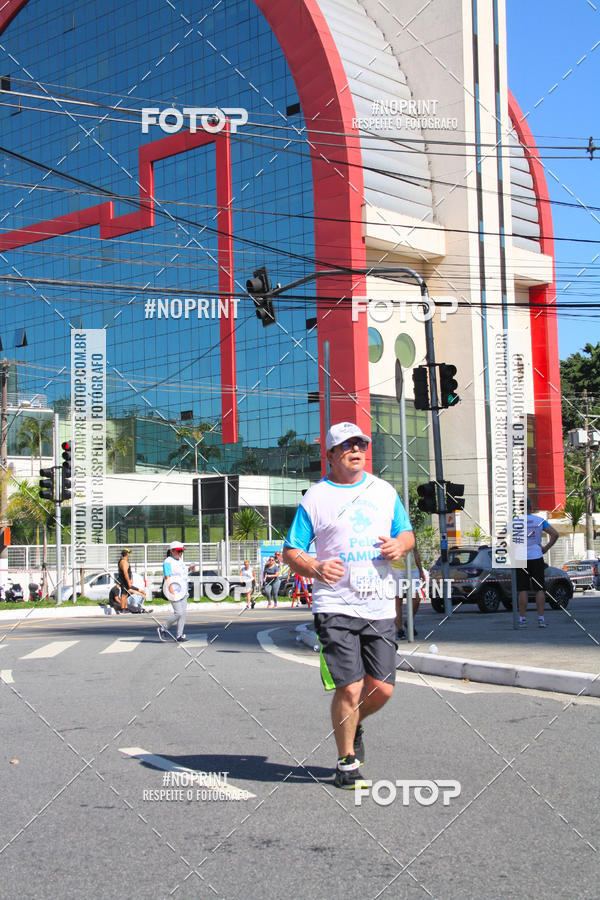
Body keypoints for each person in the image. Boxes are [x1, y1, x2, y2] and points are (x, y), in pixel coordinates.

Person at [283, 421, 414, 790]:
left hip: (379, 605)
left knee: (383, 689)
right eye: (346, 445)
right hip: (335, 604)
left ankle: (353, 724)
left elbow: (407, 533)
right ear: (330, 455)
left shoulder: (384, 491)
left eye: (360, 443)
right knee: (351, 687)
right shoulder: (315, 498)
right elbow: (291, 552)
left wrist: (401, 546)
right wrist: (316, 566)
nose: (356, 449)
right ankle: (346, 763)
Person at [516, 498, 559, 628]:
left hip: (521, 557)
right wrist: (546, 548)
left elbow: (502, 534)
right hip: (536, 556)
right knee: (539, 589)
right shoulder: (539, 521)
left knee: (522, 589)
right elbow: (555, 534)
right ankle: (541, 619)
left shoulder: (515, 522)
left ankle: (522, 619)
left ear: (520, 508)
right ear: (531, 508)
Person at [157, 541, 189, 642]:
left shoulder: (180, 561)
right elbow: (168, 577)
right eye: (178, 551)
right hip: (174, 591)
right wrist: (171, 592)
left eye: (182, 551)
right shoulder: (168, 561)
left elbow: (182, 575)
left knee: (183, 614)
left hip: (183, 590)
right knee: (178, 613)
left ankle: (179, 635)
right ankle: (163, 629)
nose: (180, 553)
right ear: (172, 551)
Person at [394, 545, 427, 639]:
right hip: (395, 567)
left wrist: (420, 570)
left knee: (416, 598)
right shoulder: (389, 531)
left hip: (412, 568)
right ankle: (400, 629)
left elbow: (415, 551)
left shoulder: (410, 531)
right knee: (398, 599)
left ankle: (409, 621)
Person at [116, 548, 145, 613]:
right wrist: (128, 581)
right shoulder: (124, 562)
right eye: (128, 553)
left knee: (125, 595)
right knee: (123, 595)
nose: (129, 554)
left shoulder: (124, 561)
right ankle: (123, 609)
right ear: (126, 554)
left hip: (125, 580)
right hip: (124, 581)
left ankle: (125, 608)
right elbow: (125, 572)